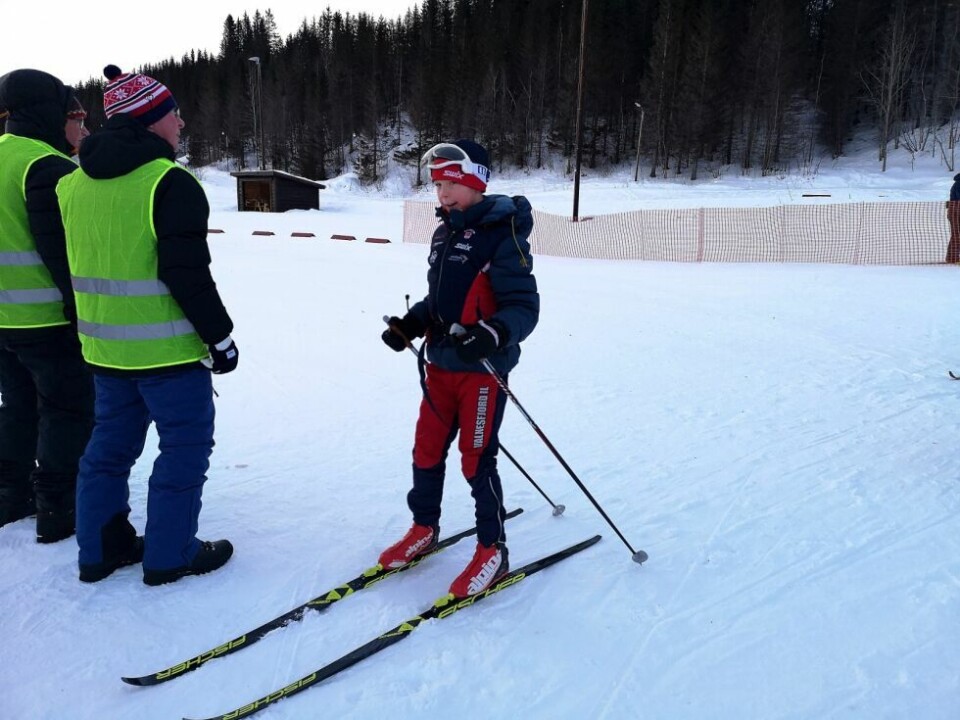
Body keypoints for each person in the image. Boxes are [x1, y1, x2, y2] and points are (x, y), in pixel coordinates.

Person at [56, 65, 238, 585]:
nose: (181, 123)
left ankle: (101, 549)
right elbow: (185, 273)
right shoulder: (169, 182)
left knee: (108, 450)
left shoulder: (72, 184)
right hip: (169, 354)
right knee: (183, 448)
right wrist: (219, 337)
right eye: (173, 113)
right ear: (151, 120)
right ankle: (170, 554)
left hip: (104, 352)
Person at [380, 139, 539, 598]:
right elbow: (442, 299)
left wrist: (492, 333)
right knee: (426, 449)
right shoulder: (444, 231)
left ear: (475, 182)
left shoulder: (501, 232)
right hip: (441, 366)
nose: (442, 193)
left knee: (476, 458)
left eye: (450, 183)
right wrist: (410, 324)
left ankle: (492, 548)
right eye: (437, 185)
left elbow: (524, 306)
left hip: (482, 371)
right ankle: (424, 527)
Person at [0, 69, 95, 543]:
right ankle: (57, 509)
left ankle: (9, 495)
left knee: (17, 407)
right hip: (44, 320)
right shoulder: (45, 166)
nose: (79, 126)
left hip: (2, 322)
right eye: (74, 115)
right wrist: (84, 318)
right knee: (66, 411)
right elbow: (64, 256)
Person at [946, 173, 960, 263]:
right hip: (955, 212)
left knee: (956, 235)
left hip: (956, 211)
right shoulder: (958, 184)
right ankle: (952, 258)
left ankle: (951, 257)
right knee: (957, 235)